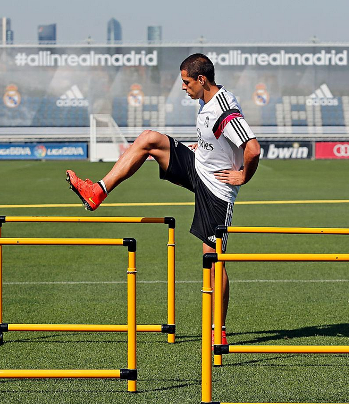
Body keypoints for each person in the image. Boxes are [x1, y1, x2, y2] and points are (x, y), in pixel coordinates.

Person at [66, 53, 260, 344]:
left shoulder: (223, 109)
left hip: (217, 189)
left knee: (212, 259)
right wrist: (203, 148)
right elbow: (218, 138)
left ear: (201, 79)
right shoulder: (205, 101)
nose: (183, 87)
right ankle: (97, 191)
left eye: (186, 82)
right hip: (198, 166)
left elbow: (253, 148)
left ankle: (218, 330)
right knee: (148, 139)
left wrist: (243, 175)